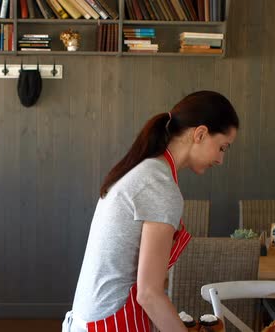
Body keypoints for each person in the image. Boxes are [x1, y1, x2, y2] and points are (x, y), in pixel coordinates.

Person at [62, 90, 239, 332]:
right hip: (110, 324)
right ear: (200, 133)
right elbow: (149, 294)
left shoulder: (147, 171)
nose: (221, 159)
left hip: (89, 320)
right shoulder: (160, 187)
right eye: (222, 147)